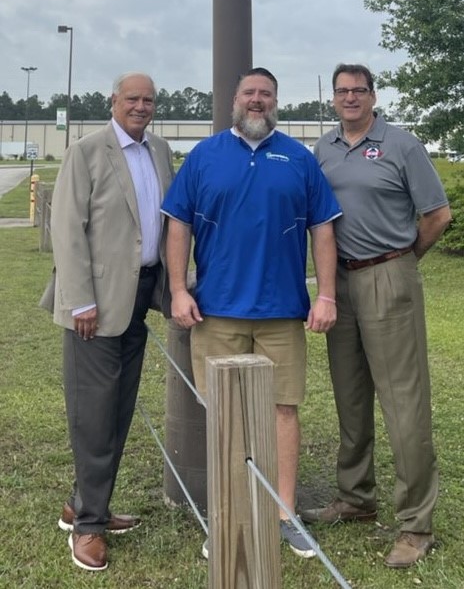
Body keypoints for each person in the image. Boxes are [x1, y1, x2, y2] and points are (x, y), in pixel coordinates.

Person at [162, 67, 341, 559]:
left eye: (265, 93)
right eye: (249, 93)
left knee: (283, 409)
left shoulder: (299, 159)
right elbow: (178, 225)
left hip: (282, 311)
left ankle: (285, 513)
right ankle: (230, 513)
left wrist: (326, 295)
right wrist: (177, 290)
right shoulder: (204, 156)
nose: (257, 100)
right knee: (224, 414)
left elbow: (323, 229)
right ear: (234, 101)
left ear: (275, 101)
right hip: (216, 311)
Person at [300, 63, 451, 570]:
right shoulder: (323, 149)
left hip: (388, 274)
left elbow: (437, 215)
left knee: (403, 402)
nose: (350, 98)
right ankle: (356, 497)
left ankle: (416, 524)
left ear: (373, 96)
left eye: (358, 90)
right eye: (341, 91)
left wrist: (403, 260)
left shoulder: (401, 145)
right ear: (333, 98)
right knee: (350, 394)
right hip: (337, 283)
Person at [41, 73, 174, 572]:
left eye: (148, 100)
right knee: (94, 414)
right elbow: (66, 228)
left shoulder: (159, 151)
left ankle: (83, 501)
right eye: (132, 98)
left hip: (139, 297)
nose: (141, 106)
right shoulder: (86, 151)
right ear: (113, 102)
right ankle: (89, 526)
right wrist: (80, 301)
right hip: (93, 306)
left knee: (118, 410)